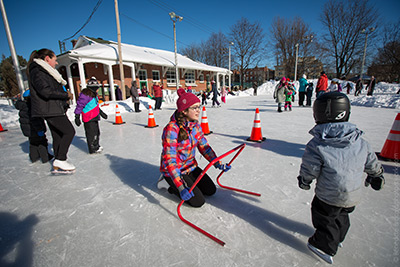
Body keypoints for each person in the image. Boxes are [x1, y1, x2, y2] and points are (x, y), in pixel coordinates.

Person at [297, 92, 384, 264]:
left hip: (328, 194)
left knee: (324, 217)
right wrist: (377, 175)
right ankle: (338, 237)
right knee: (342, 214)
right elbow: (371, 160)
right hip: (352, 193)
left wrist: (305, 180)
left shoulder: (317, 144)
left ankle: (324, 246)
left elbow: (311, 167)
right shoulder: (360, 141)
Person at [159, 88, 231, 207]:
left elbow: (204, 147)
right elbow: (170, 159)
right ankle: (168, 184)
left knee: (211, 190)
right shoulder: (172, 129)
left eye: (199, 106)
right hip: (174, 170)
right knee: (198, 201)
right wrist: (180, 187)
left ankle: (188, 183)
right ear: (184, 111)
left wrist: (218, 163)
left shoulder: (195, 126)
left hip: (190, 167)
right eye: (195, 108)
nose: (199, 110)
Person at [27, 49, 76, 172]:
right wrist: (65, 95)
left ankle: (58, 161)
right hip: (50, 109)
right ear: (47, 58)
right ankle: (60, 159)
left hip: (52, 107)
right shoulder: (38, 71)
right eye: (55, 60)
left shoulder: (44, 71)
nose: (56, 63)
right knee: (69, 132)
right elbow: (45, 91)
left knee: (58, 134)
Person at [15, 89, 53, 163]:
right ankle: (45, 157)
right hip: (35, 129)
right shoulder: (31, 107)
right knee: (42, 142)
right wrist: (39, 130)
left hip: (28, 130)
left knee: (33, 143)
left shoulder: (23, 106)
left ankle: (34, 157)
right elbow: (35, 120)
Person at [74, 77, 108, 154]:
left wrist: (101, 113)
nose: (98, 90)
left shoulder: (94, 95)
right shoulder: (85, 95)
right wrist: (77, 116)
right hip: (88, 118)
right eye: (97, 88)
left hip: (94, 117)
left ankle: (96, 146)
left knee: (97, 132)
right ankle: (92, 149)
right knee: (91, 134)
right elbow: (79, 106)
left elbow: (95, 106)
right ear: (93, 88)